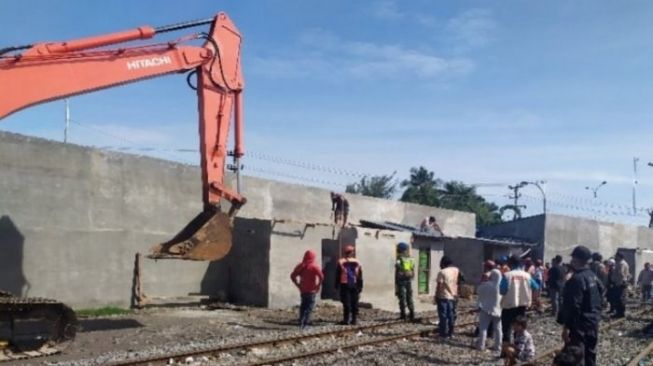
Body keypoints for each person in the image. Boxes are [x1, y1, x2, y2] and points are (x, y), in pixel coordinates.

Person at [557, 245, 603, 366]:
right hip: (593, 322)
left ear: (575, 260)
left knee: (577, 355)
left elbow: (572, 305)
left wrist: (566, 326)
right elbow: (602, 293)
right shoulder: (593, 276)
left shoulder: (576, 279)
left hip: (580, 325)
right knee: (590, 353)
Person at [500, 255, 538, 346]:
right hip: (522, 306)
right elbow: (536, 287)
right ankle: (518, 347)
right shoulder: (527, 275)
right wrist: (533, 300)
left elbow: (502, 291)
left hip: (509, 305)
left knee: (506, 328)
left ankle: (506, 351)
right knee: (519, 328)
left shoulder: (507, 275)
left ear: (510, 263)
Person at [290, 250, 324, 329]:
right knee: (309, 307)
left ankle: (301, 321)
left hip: (303, 290)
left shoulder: (300, 266)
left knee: (303, 306)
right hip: (311, 290)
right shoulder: (314, 266)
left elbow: (292, 276)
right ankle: (306, 324)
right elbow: (321, 276)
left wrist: (298, 285)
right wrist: (318, 286)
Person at [335, 245, 363, 325]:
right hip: (354, 284)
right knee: (354, 302)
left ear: (345, 252)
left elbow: (338, 274)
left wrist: (336, 285)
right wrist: (360, 286)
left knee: (346, 302)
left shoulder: (341, 262)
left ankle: (346, 319)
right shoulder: (357, 262)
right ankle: (354, 319)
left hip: (344, 284)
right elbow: (360, 275)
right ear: (352, 252)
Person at [476, 269, 503, 353]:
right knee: (498, 329)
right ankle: (497, 347)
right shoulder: (502, 286)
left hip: (486, 309)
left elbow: (478, 291)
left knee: (483, 328)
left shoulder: (485, 285)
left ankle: (481, 345)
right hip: (498, 310)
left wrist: (483, 279)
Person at [435, 256, 460, 339]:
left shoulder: (442, 272)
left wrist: (436, 295)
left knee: (443, 315)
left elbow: (439, 285)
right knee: (451, 315)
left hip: (443, 296)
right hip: (453, 296)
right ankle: (451, 333)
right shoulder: (456, 270)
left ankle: (442, 333)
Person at [395, 242, 415, 321]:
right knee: (409, 297)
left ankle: (403, 315)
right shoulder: (410, 258)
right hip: (409, 279)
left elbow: (397, 267)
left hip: (401, 280)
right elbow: (412, 268)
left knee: (402, 297)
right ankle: (412, 314)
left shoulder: (399, 258)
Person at [610, 252, 630, 318]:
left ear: (619, 256)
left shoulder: (621, 263)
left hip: (620, 283)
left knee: (620, 298)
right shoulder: (620, 263)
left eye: (616, 256)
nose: (615, 257)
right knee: (618, 298)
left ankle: (621, 313)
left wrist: (621, 281)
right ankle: (619, 312)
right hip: (619, 283)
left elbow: (621, 273)